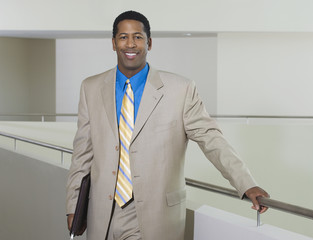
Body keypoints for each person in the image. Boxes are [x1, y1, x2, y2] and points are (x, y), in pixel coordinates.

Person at [66, 10, 269, 240]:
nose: (130, 44)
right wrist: (73, 206)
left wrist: (246, 183)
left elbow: (211, 139)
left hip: (154, 216)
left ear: (149, 43)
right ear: (113, 43)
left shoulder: (180, 90)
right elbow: (82, 154)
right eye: (123, 37)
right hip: (102, 214)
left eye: (138, 37)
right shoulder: (90, 88)